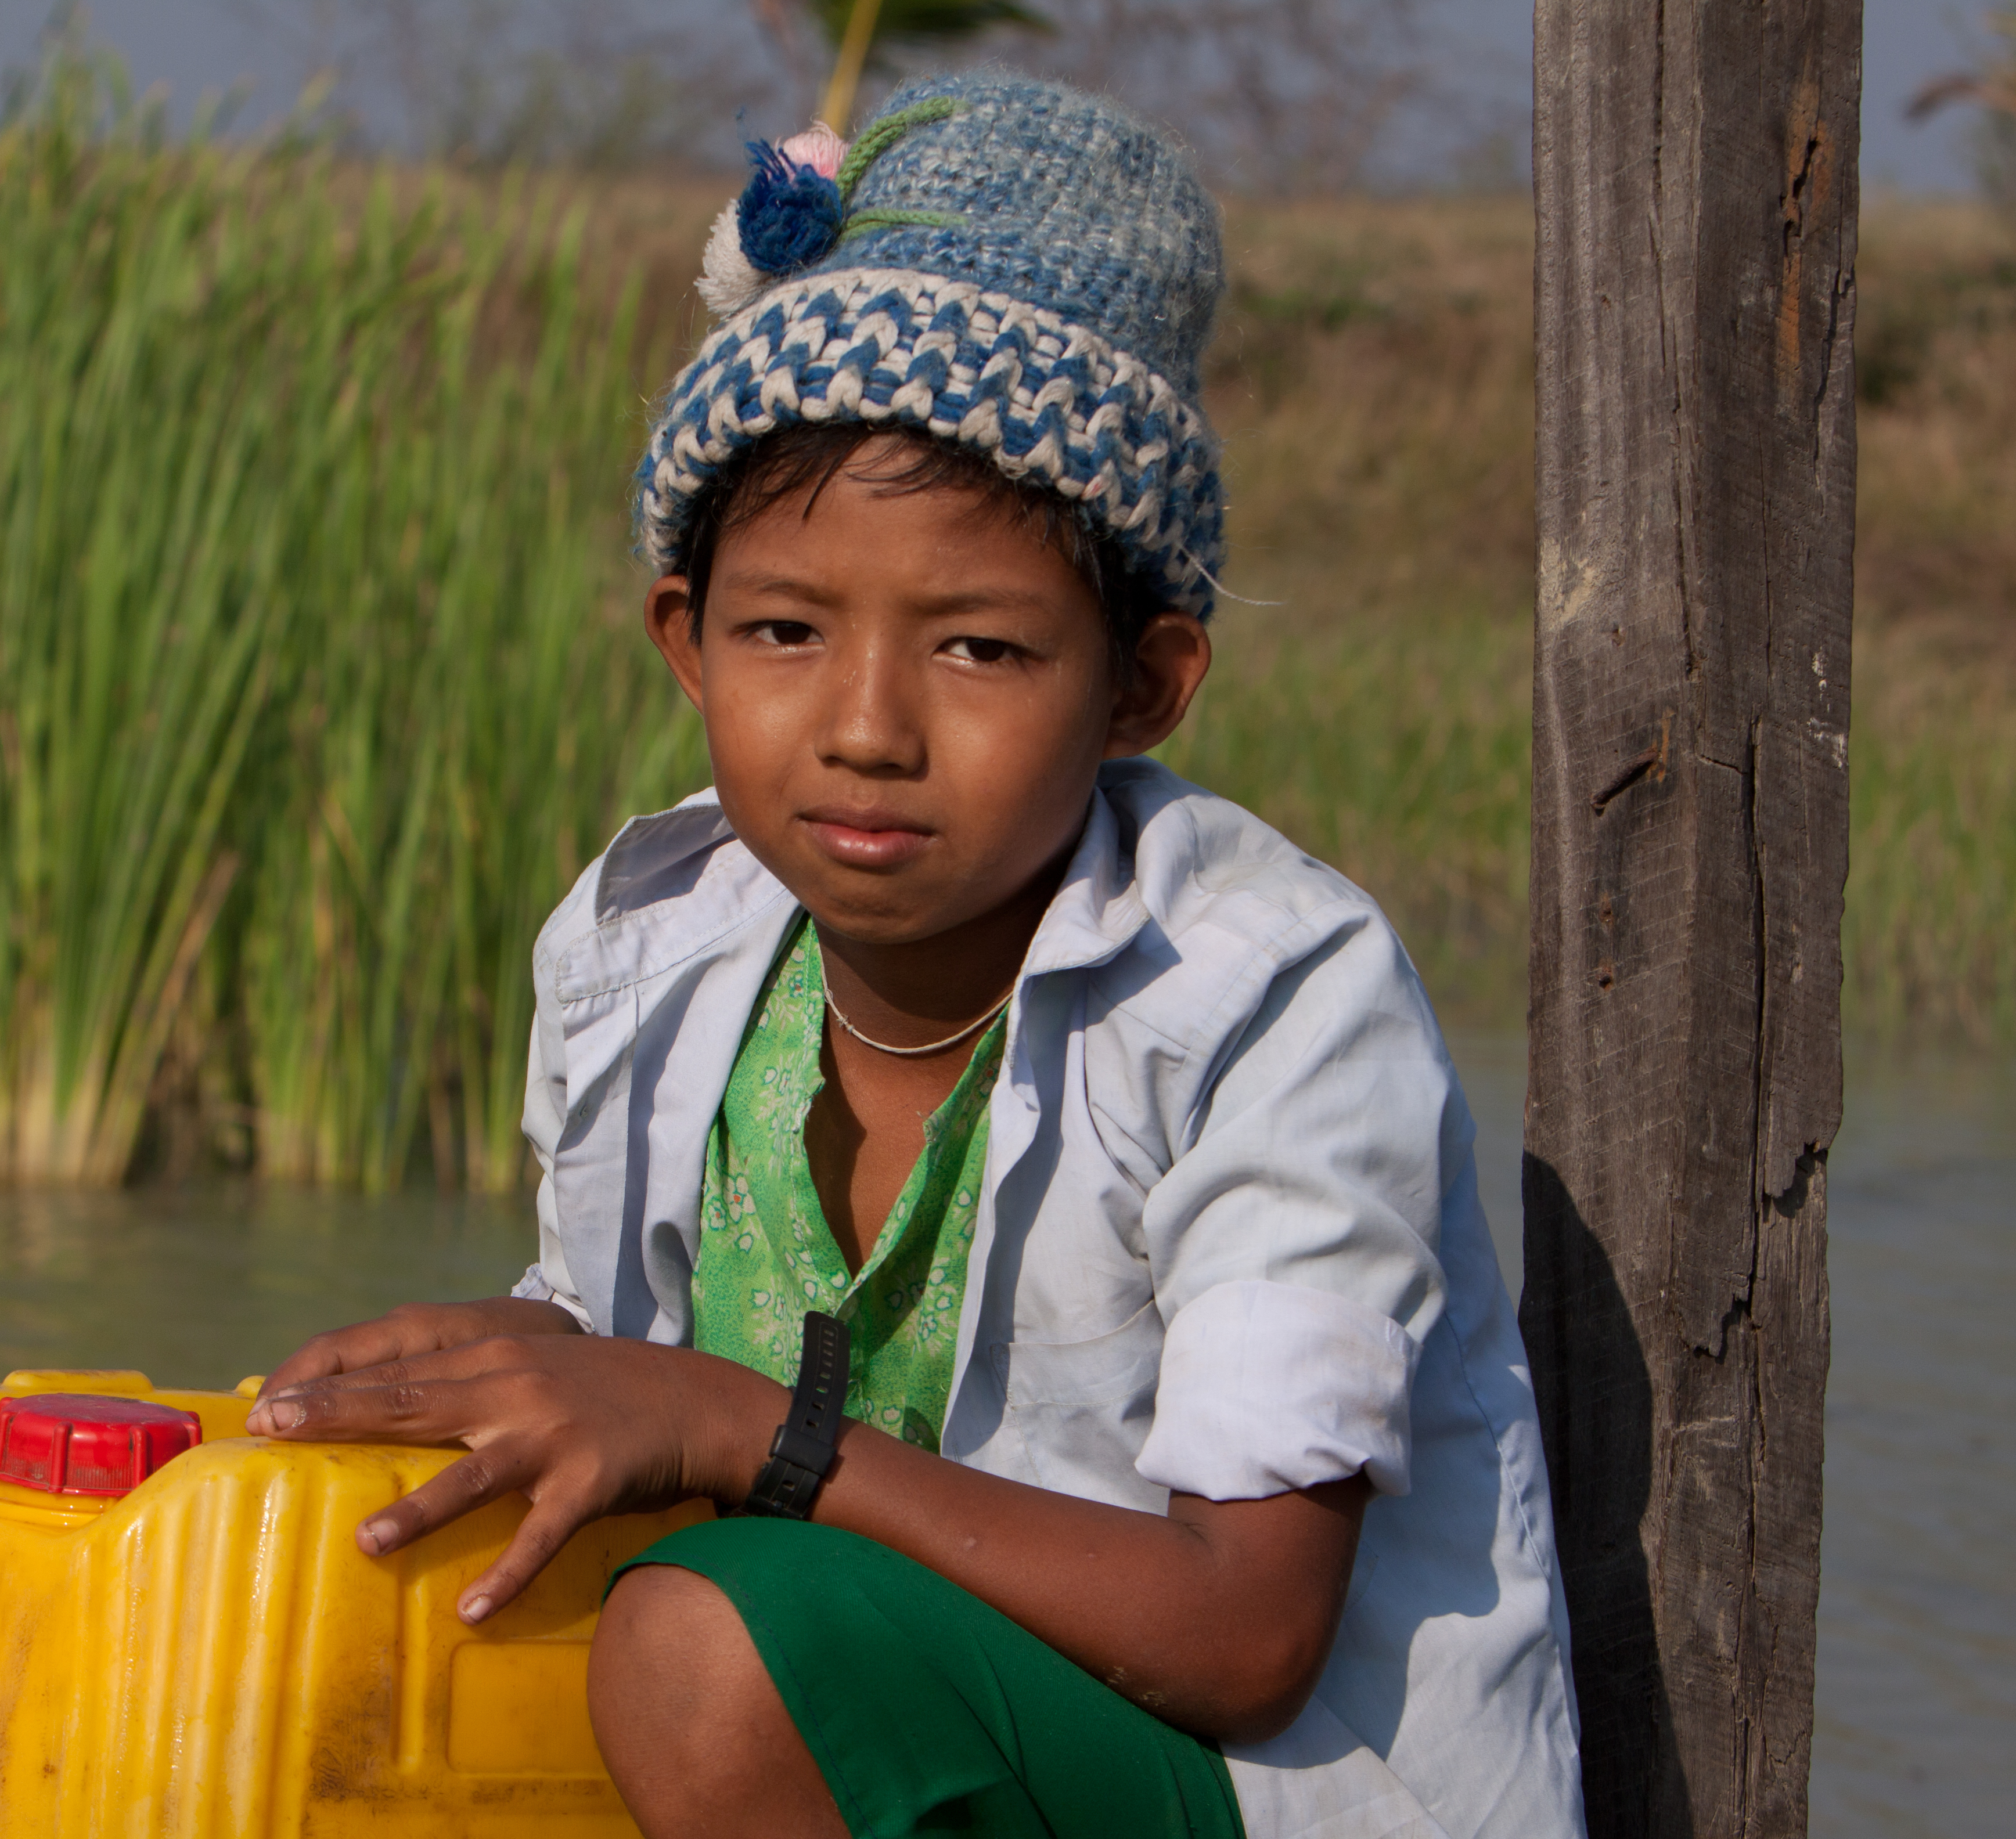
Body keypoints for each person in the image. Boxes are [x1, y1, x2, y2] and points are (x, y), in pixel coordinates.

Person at [246, 73, 1582, 1839]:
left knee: (710, 1642)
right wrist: (484, 1372)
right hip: (888, 1741)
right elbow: (631, 1346)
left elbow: (1248, 1635)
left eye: (979, 650)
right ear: (686, 643)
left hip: (1253, 1790)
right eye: (785, 631)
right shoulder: (651, 938)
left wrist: (747, 1433)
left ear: (1143, 685)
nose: (866, 728)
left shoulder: (1268, 996)